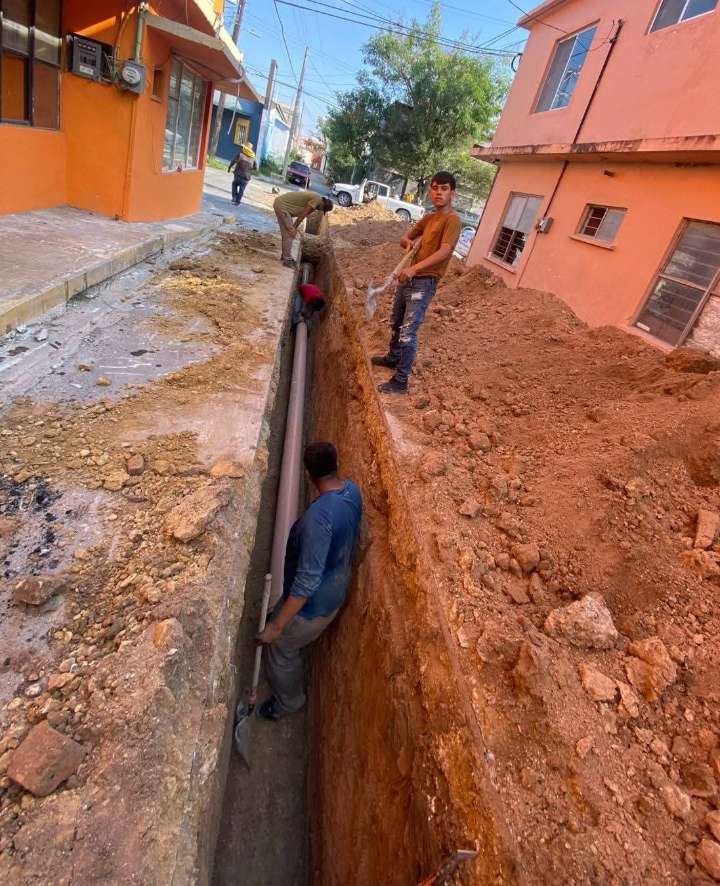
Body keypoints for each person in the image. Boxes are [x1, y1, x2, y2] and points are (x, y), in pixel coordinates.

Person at [255, 442, 362, 720]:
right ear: (336, 464)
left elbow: (306, 583)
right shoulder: (352, 491)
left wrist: (276, 628)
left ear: (307, 474)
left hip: (314, 606)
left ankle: (290, 702)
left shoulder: (318, 521)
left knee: (280, 648)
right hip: (338, 581)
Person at [372, 171, 462, 395]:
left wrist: (414, 268)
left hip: (424, 281)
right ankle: (393, 358)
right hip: (408, 278)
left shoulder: (453, 220)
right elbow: (407, 237)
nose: (438, 192)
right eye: (435, 188)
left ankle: (401, 381)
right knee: (396, 322)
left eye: (444, 189)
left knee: (408, 332)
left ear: (452, 193)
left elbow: (445, 251)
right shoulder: (430, 218)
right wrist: (407, 242)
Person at [273, 190, 333, 268]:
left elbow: (304, 215)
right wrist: (293, 228)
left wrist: (295, 227)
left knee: (287, 233)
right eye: (322, 209)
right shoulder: (317, 200)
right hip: (283, 207)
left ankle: (285, 256)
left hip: (282, 206)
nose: (320, 210)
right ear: (323, 204)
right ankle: (287, 260)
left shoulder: (315, 203)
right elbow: (303, 214)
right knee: (289, 234)